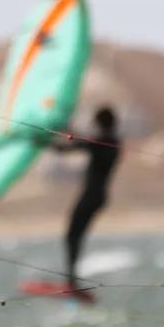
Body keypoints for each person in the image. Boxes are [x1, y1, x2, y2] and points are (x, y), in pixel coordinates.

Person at [49, 106, 120, 289]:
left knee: (72, 235)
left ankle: (71, 281)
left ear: (99, 123)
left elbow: (71, 146)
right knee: (76, 235)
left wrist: (48, 140)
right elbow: (81, 140)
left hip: (92, 195)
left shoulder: (103, 142)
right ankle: (72, 279)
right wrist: (66, 130)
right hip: (99, 195)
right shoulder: (113, 141)